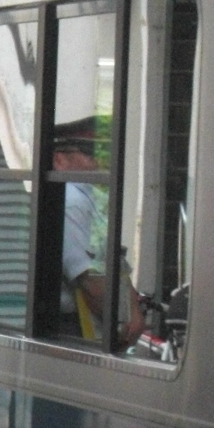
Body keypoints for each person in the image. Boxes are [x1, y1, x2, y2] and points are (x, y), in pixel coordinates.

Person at [52, 118, 145, 344]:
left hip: (94, 321)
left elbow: (115, 264)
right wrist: (122, 321)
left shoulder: (93, 197)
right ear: (60, 160)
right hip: (72, 326)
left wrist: (133, 310)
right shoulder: (71, 201)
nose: (97, 160)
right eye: (88, 152)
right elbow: (90, 281)